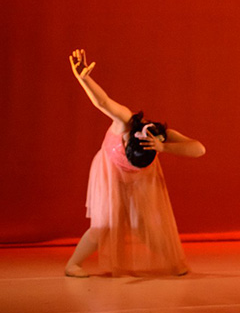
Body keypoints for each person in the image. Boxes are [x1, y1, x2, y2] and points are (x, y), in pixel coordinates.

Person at [65, 49, 206, 277]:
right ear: (126, 139)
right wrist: (84, 79)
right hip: (110, 170)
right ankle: (73, 265)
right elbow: (103, 102)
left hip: (139, 177)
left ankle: (174, 262)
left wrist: (164, 148)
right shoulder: (124, 121)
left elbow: (199, 149)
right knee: (105, 224)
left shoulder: (160, 135)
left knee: (143, 225)